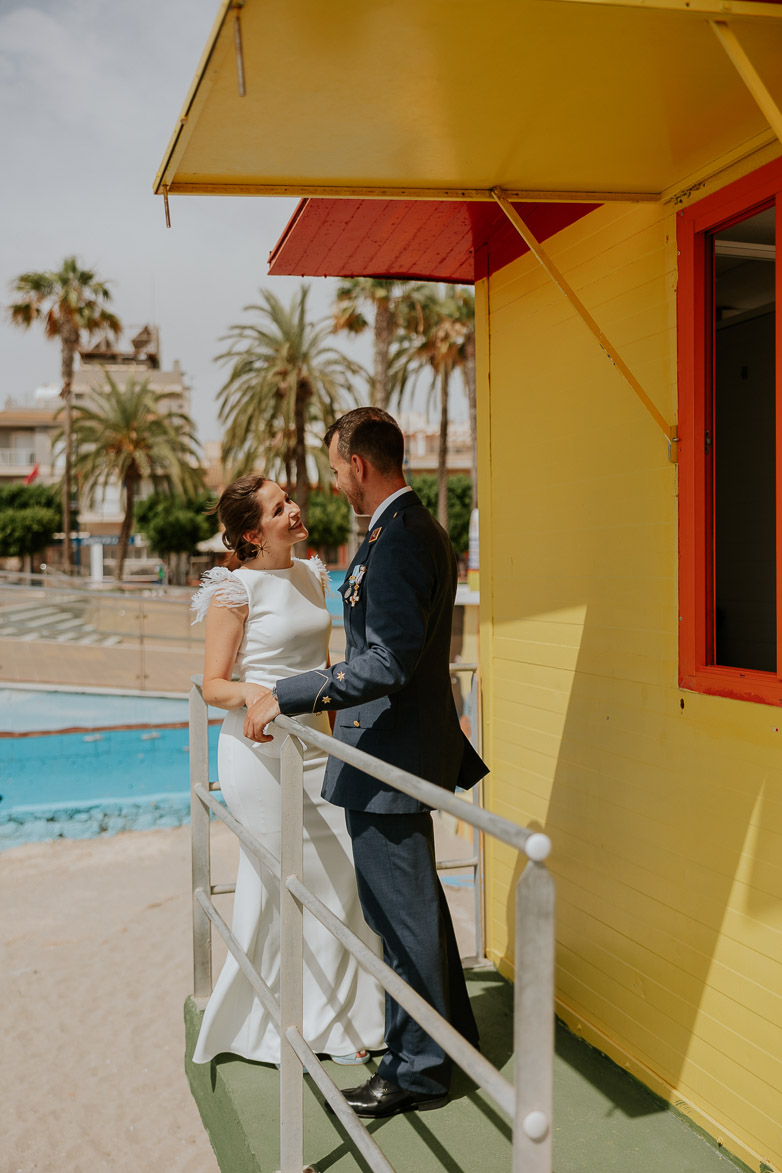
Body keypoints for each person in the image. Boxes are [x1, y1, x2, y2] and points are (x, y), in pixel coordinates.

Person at [245, 408, 489, 1117]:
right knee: (417, 910)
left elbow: (385, 660)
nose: (332, 484)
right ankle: (448, 1037)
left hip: (389, 755)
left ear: (358, 465)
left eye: (333, 468)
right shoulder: (400, 531)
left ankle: (417, 1068)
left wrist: (287, 693)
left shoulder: (400, 538)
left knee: (399, 915)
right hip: (391, 749)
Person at [189, 474, 385, 1068]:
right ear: (253, 533)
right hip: (258, 756)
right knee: (287, 883)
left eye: (290, 500)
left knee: (340, 876)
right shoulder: (233, 591)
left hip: (316, 749)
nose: (295, 510)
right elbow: (215, 684)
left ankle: (337, 1017)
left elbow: (320, 667)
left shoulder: (312, 573)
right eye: (280, 508)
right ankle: (290, 1026)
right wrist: (257, 693)